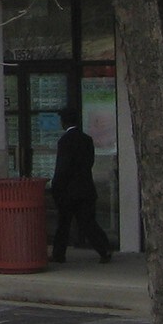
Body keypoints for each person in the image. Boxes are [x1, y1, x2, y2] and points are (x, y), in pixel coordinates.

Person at [49, 109, 114, 264]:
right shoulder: (86, 139)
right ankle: (104, 249)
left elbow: (62, 167)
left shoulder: (65, 141)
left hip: (68, 191)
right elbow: (90, 162)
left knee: (64, 224)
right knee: (88, 222)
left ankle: (59, 254)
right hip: (85, 188)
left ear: (64, 123)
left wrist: (56, 186)